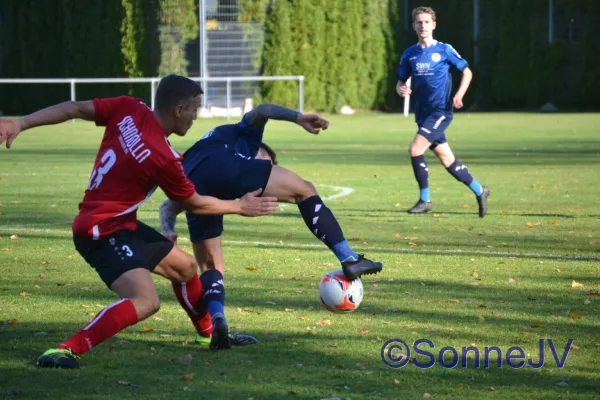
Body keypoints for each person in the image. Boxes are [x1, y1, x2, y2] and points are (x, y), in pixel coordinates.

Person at [0, 75, 279, 368]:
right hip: (99, 231)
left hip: (119, 223)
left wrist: (21, 123)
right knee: (146, 301)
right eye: (195, 110)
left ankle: (209, 335)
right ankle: (63, 351)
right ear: (179, 110)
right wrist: (240, 205)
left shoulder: (129, 108)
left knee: (184, 267)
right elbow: (194, 202)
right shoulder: (162, 156)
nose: (196, 117)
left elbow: (74, 108)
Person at [158, 103, 384, 346]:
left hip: (195, 183)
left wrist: (168, 230)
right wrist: (299, 118)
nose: (269, 169)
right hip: (224, 167)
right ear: (260, 152)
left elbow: (168, 207)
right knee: (304, 190)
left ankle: (218, 321)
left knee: (212, 265)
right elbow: (262, 110)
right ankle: (349, 258)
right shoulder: (246, 135)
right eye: (268, 163)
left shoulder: (199, 152)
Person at [396, 6, 490, 217]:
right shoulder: (410, 54)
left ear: (434, 25)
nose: (423, 26)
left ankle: (425, 199)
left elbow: (467, 72)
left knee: (415, 149)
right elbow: (401, 81)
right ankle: (480, 190)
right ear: (414, 26)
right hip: (422, 114)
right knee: (447, 159)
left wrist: (459, 95)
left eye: (427, 22)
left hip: (440, 112)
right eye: (419, 22)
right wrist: (401, 89)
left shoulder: (444, 50)